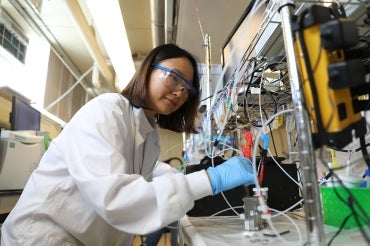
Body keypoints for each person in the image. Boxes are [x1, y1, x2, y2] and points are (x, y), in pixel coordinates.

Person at [1, 44, 255, 246]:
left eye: (186, 89)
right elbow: (117, 198)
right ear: (148, 70)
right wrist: (211, 179)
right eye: (173, 78)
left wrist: (181, 177)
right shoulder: (107, 109)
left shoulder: (149, 134)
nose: (179, 92)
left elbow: (137, 178)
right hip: (42, 238)